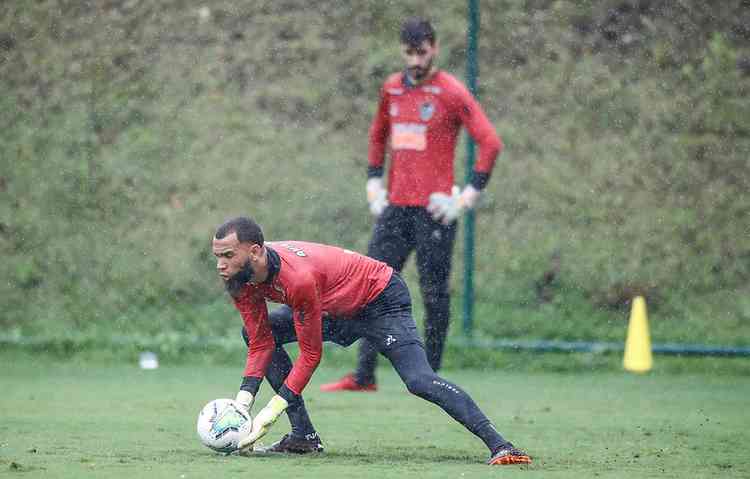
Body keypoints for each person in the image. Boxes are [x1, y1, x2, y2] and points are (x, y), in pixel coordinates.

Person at [212, 216, 531, 465]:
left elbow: (311, 355)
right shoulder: (240, 279)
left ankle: (502, 446)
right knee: (255, 332)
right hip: (334, 308)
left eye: (228, 255)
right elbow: (260, 342)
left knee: (419, 380)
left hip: (381, 300)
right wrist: (243, 403)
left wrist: (270, 411)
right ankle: (303, 437)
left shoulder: (298, 278)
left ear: (255, 251)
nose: (220, 265)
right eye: (217, 256)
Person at [320, 17, 502, 393]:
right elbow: (377, 137)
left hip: (435, 211)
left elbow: (490, 143)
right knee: (368, 288)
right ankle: (364, 375)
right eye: (409, 53)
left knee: (434, 293)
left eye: (422, 52)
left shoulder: (451, 91)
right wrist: (374, 182)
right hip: (396, 209)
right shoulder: (391, 89)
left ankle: (430, 376)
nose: (416, 60)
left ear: (434, 48)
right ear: (402, 50)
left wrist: (465, 198)